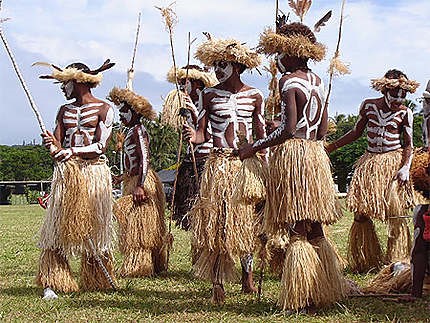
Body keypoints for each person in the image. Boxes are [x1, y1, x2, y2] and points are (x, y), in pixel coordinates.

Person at [239, 19, 346, 312]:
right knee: (316, 227)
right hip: (315, 155)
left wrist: (254, 147)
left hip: (295, 158)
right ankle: (324, 289)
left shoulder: (288, 82)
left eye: (280, 53)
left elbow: (287, 130)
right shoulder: (318, 83)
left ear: (293, 53)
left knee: (298, 224)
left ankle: (301, 297)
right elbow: (323, 129)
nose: (277, 59)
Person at [183, 36, 266, 304]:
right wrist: (191, 135)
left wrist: (263, 161)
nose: (217, 70)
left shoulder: (255, 96)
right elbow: (201, 133)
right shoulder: (208, 94)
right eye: (215, 64)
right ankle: (217, 281)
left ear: (238, 66)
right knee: (218, 224)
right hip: (217, 164)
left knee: (245, 222)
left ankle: (247, 278)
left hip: (244, 165)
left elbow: (261, 133)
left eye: (223, 64)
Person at [35, 60, 116, 299]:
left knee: (95, 228)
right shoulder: (64, 111)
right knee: (56, 226)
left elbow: (101, 146)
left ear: (78, 81)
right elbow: (58, 143)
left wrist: (70, 152)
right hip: (67, 174)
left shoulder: (105, 109)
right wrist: (53, 147)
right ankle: (54, 280)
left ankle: (96, 278)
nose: (62, 88)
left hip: (93, 174)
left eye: (65, 82)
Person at [326, 69, 419, 273]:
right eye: (396, 95)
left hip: (393, 164)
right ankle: (365, 258)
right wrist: (331, 147)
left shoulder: (405, 112)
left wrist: (405, 168)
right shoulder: (368, 106)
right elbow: (355, 132)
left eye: (403, 96)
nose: (399, 100)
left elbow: (409, 145)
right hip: (369, 164)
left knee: (396, 213)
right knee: (361, 212)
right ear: (385, 89)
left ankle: (396, 259)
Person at [108, 85, 168, 278]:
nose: (120, 116)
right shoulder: (131, 130)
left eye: (124, 111)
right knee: (137, 223)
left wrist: (141, 185)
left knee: (139, 225)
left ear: (134, 112)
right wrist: (122, 178)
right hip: (133, 180)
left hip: (141, 182)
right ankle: (151, 264)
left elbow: (144, 159)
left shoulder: (138, 131)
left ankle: (140, 266)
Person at [163, 65, 217, 230]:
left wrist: (193, 111)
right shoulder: (187, 104)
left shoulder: (207, 101)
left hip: (205, 159)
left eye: (184, 83)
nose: (181, 87)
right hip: (190, 159)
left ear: (197, 84)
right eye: (179, 83)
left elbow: (206, 131)